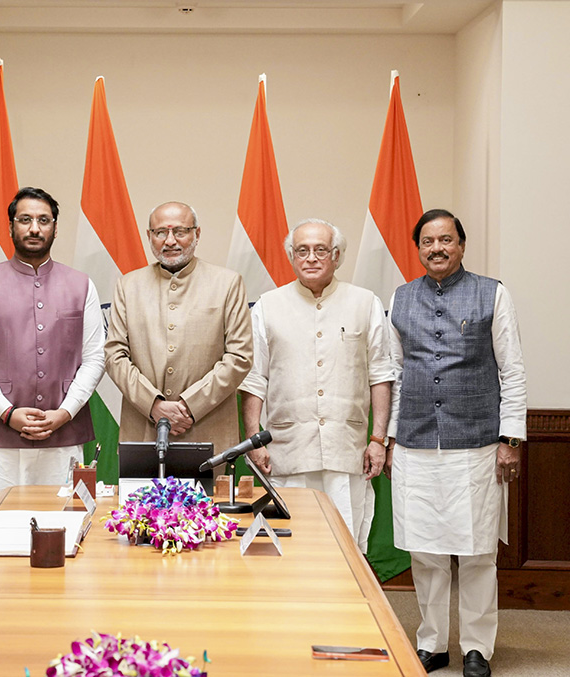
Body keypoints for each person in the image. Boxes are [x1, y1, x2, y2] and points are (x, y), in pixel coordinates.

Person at [386, 209, 526, 677]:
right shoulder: (401, 297)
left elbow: (513, 370)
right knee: (424, 551)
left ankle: (476, 648)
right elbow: (396, 375)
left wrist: (511, 438)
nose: (437, 248)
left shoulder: (492, 293)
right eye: (427, 241)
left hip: (477, 444)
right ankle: (431, 642)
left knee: (477, 549)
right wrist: (388, 439)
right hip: (415, 443)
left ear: (462, 245)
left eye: (446, 239)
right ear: (419, 248)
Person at [239, 219, 394, 551]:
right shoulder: (267, 306)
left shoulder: (365, 303)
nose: (310, 258)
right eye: (302, 251)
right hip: (286, 450)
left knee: (345, 544)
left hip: (346, 449)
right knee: (291, 546)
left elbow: (380, 375)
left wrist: (378, 440)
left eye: (320, 250)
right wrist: (255, 441)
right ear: (292, 257)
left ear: (336, 256)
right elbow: (255, 379)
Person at [0, 187, 104, 509]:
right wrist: (7, 413)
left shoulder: (82, 285)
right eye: (25, 220)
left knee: (64, 524)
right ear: (10, 226)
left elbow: (94, 358)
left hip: (64, 432)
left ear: (54, 227)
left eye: (43, 220)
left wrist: (65, 413)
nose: (34, 228)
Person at [105, 201, 253, 461]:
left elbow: (239, 357)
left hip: (208, 431)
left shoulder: (227, 283)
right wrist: (154, 406)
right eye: (161, 232)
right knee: (140, 503)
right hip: (144, 430)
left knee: (206, 503)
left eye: (180, 231)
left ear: (197, 234)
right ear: (149, 237)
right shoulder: (128, 286)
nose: (170, 240)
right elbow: (114, 356)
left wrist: (188, 406)